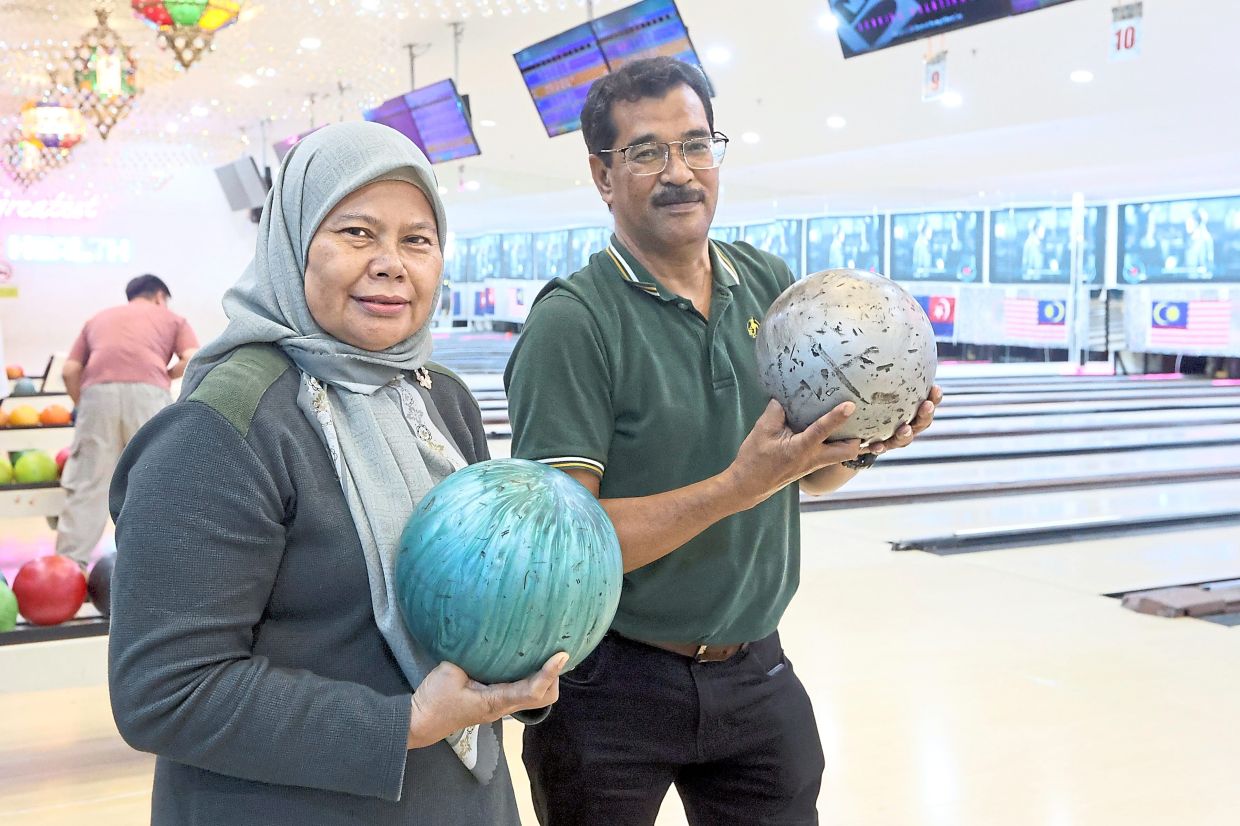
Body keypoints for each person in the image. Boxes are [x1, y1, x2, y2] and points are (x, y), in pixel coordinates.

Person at [505, 57, 942, 825]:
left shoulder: (770, 282)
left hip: (755, 672)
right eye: (646, 152)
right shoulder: (573, 322)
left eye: (697, 144)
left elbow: (807, 477)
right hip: (609, 686)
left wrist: (867, 442)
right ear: (603, 176)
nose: (679, 172)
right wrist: (738, 485)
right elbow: (563, 554)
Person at [107, 122, 562, 825]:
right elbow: (166, 691)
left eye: (417, 238)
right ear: (291, 244)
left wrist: (519, 661)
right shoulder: (225, 428)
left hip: (458, 800)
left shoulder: (440, 399)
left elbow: (476, 599)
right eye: (356, 232)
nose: (391, 263)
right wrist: (404, 722)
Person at [56, 274, 199, 568]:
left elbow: (70, 370)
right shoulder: (171, 317)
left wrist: (84, 406)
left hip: (98, 395)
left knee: (89, 482)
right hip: (148, 396)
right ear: (160, 296)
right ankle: (158, 563)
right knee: (155, 480)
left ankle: (69, 566)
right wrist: (165, 373)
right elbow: (193, 357)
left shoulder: (98, 318)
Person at [1183, 207, 1214, 279]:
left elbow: (1207, 267)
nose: (1186, 224)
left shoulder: (1205, 239)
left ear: (1196, 222)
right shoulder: (1189, 239)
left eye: (1189, 221)